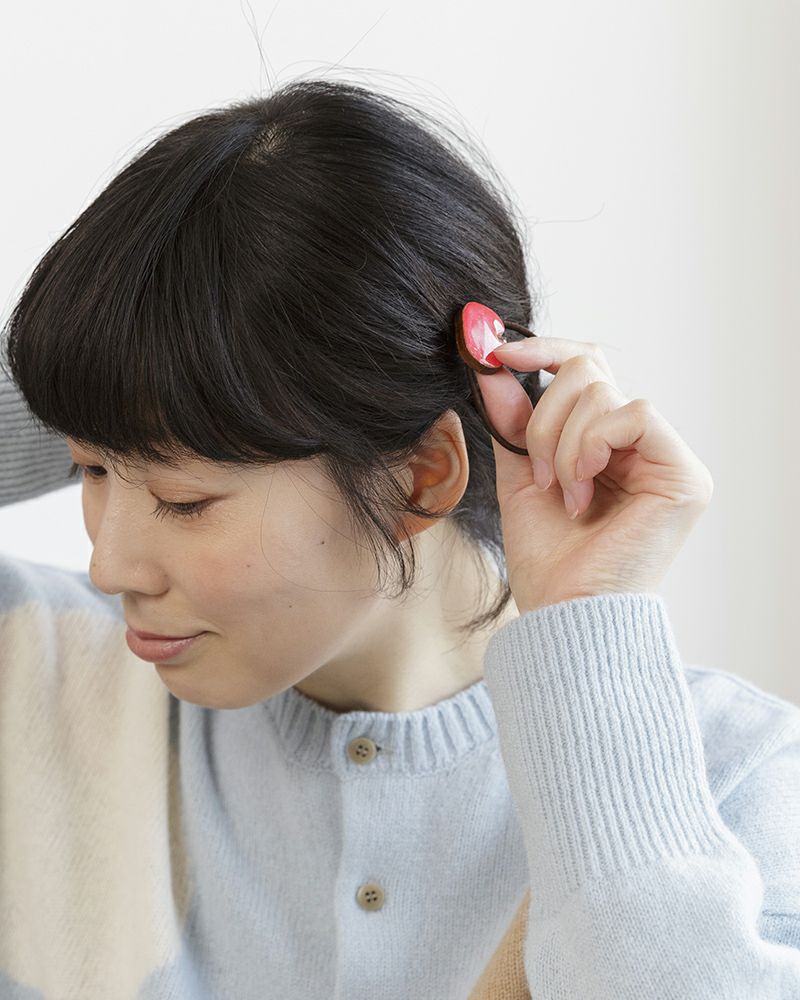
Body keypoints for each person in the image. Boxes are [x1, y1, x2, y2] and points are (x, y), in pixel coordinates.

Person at [1, 78, 799, 1000]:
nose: (108, 561)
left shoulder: (728, 785)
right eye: (91, 471)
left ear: (421, 476)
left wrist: (586, 625)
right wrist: (118, 359)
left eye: (184, 503)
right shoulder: (44, 672)